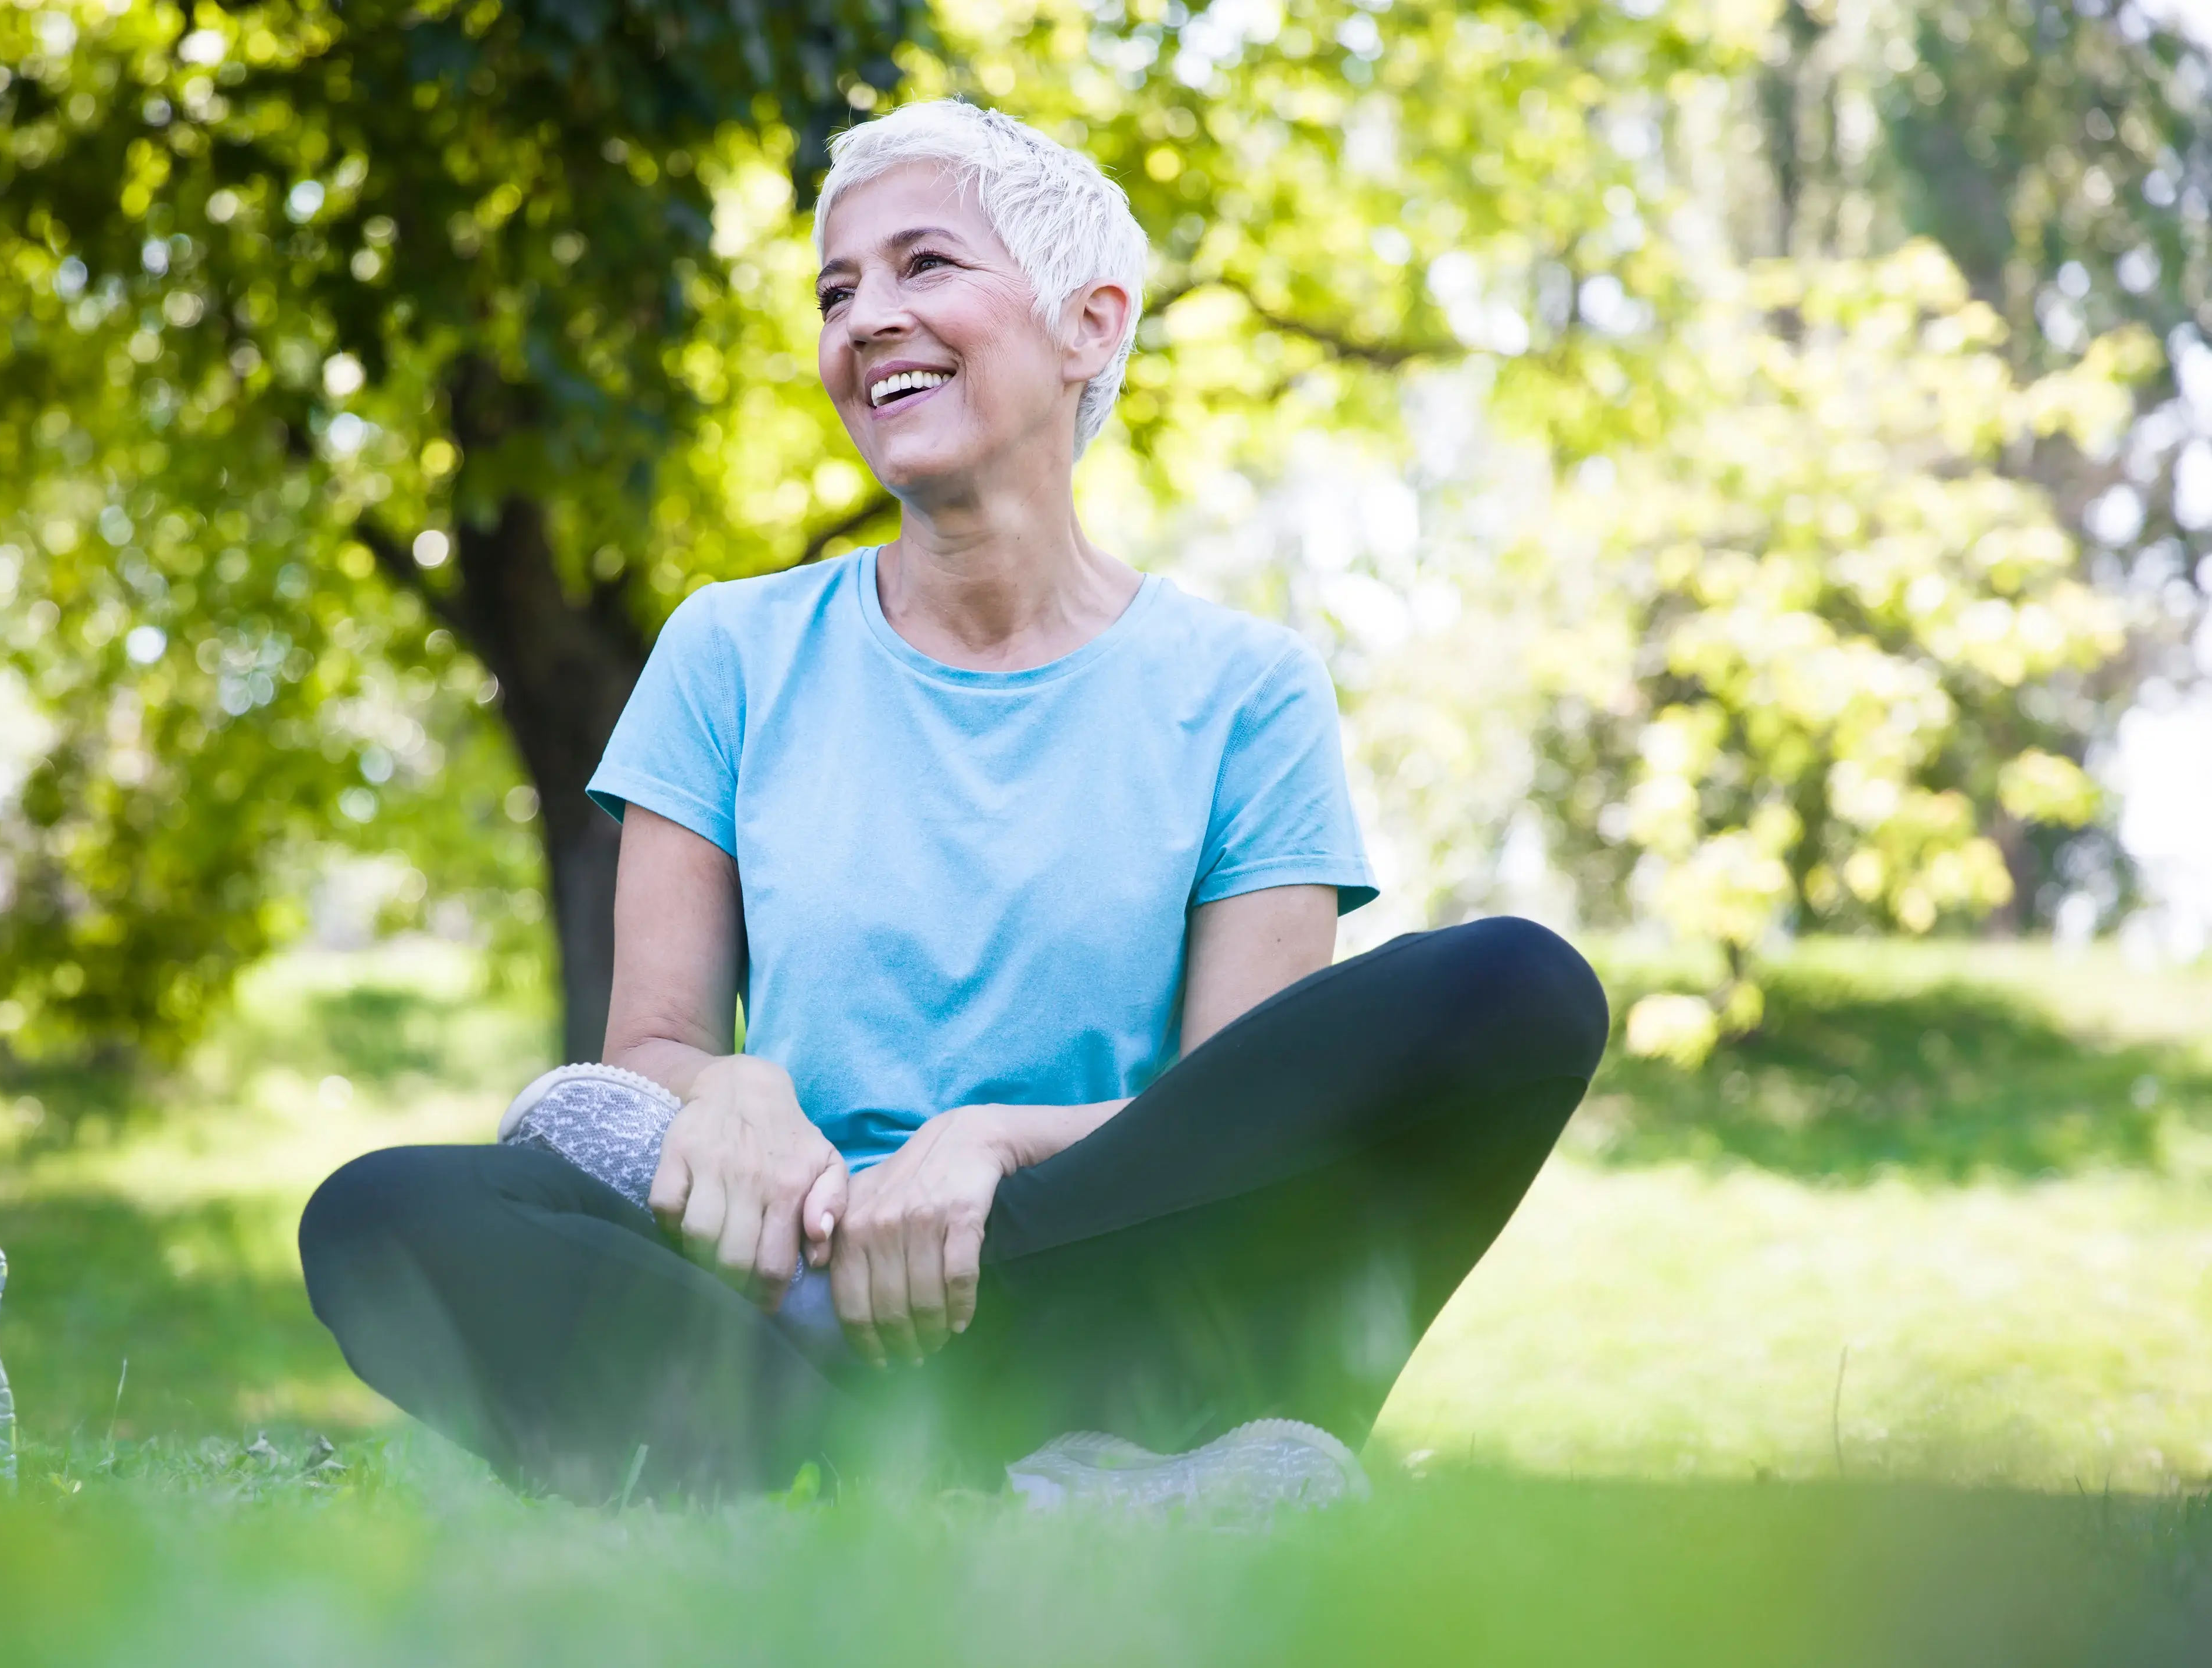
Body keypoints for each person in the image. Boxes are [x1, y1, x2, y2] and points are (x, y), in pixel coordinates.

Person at [298, 100, 1608, 1507]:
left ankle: (829, 1482)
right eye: (837, 291)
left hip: (1098, 1282)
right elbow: (652, 1054)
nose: (868, 319)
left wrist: (979, 1148)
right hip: (785, 1277)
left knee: (1519, 987)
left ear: (1088, 325)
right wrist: (737, 1091)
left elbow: (1230, 1124)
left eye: (925, 266)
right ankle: (1037, 1505)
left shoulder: (1248, 691)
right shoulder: (730, 651)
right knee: (380, 1213)